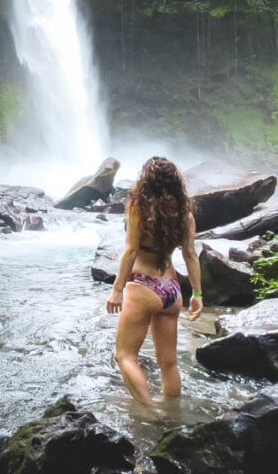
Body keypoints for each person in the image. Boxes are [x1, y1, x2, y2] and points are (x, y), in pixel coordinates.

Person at [106, 156, 203, 406]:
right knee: (168, 363)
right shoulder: (185, 215)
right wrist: (197, 295)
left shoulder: (139, 208)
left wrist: (117, 289)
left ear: (146, 182)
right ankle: (172, 415)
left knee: (125, 356)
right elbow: (190, 255)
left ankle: (149, 413)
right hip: (171, 290)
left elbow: (130, 251)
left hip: (143, 285)